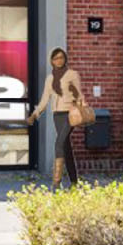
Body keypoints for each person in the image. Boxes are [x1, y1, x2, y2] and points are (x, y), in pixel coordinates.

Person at [27, 47, 83, 189]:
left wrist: (78, 105)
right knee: (66, 147)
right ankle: (74, 182)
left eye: (61, 57)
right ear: (52, 61)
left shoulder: (72, 74)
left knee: (59, 143)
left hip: (70, 114)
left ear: (65, 59)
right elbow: (45, 99)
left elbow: (79, 95)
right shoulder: (50, 78)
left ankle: (56, 182)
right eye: (56, 58)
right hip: (57, 115)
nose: (59, 60)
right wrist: (35, 114)